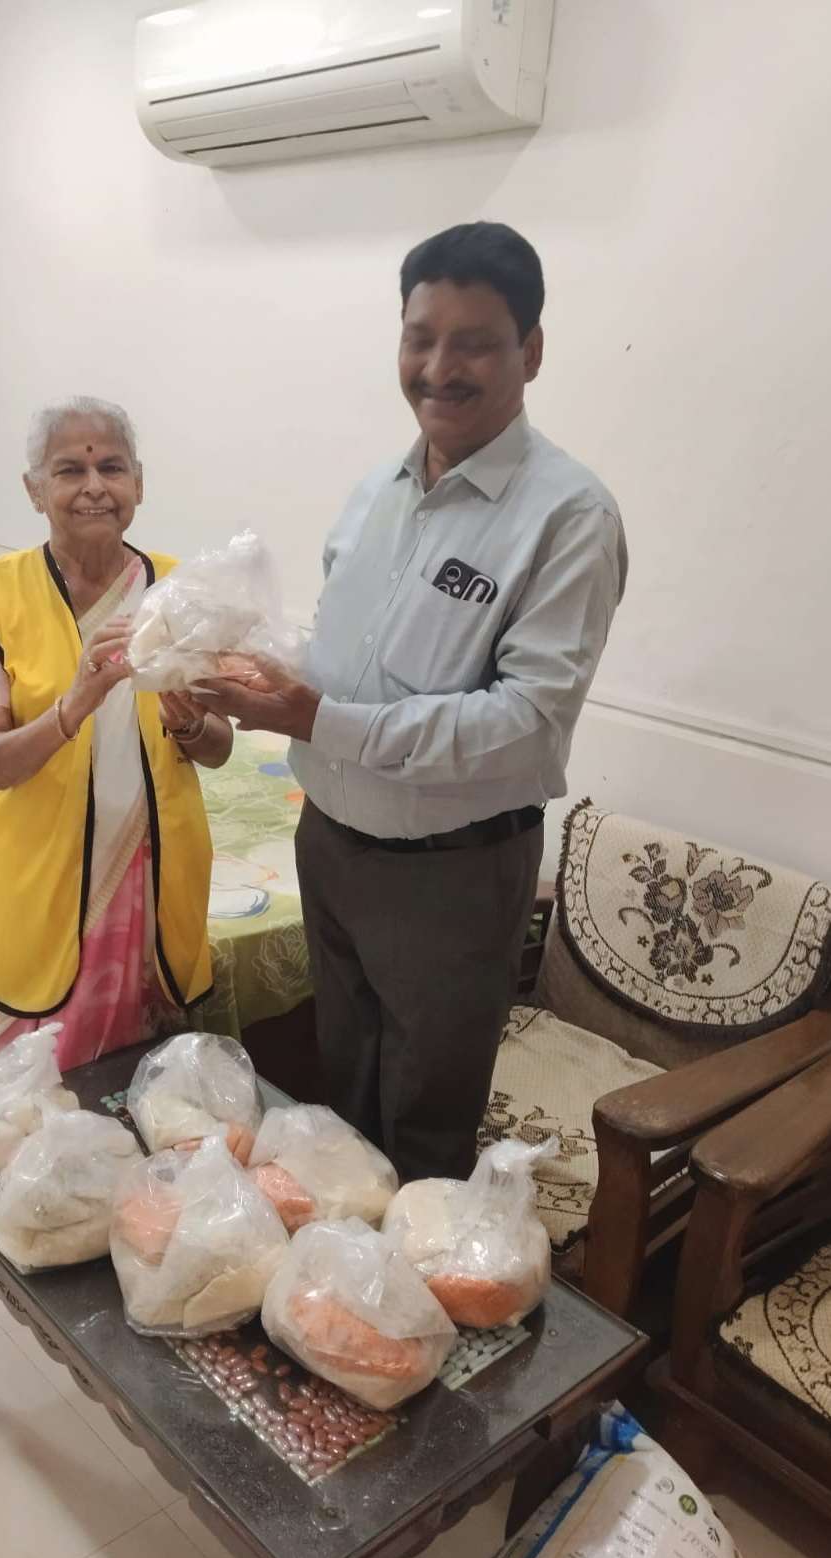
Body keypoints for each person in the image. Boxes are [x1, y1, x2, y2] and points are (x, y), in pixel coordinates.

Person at [200, 223, 628, 1182]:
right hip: (330, 842)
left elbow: (525, 724)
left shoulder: (568, 516)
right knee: (341, 1092)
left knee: (427, 1125)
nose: (438, 368)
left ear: (531, 351)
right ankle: (339, 1258)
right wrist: (263, 669)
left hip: (451, 875)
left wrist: (316, 719)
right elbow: (347, 656)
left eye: (473, 343)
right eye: (419, 338)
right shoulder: (376, 494)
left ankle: (420, 1268)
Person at [0, 396, 230, 1070]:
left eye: (112, 468)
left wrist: (190, 723)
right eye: (70, 469)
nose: (95, 487)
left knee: (139, 1086)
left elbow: (219, 747)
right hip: (35, 879)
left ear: (139, 483)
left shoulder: (176, 591)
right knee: (28, 1095)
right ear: (34, 490)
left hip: (150, 877)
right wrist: (73, 706)